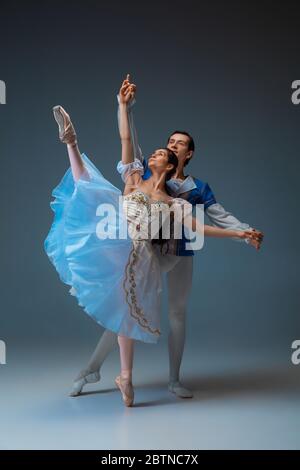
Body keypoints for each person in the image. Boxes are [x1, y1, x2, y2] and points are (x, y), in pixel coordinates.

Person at [44, 76, 262, 406]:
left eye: (179, 143)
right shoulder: (142, 174)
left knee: (175, 313)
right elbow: (129, 138)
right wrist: (125, 106)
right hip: (143, 251)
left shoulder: (194, 190)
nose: (172, 145)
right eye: (169, 141)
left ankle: (173, 378)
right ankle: (93, 369)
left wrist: (242, 232)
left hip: (178, 254)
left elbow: (214, 218)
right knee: (123, 307)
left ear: (188, 154)